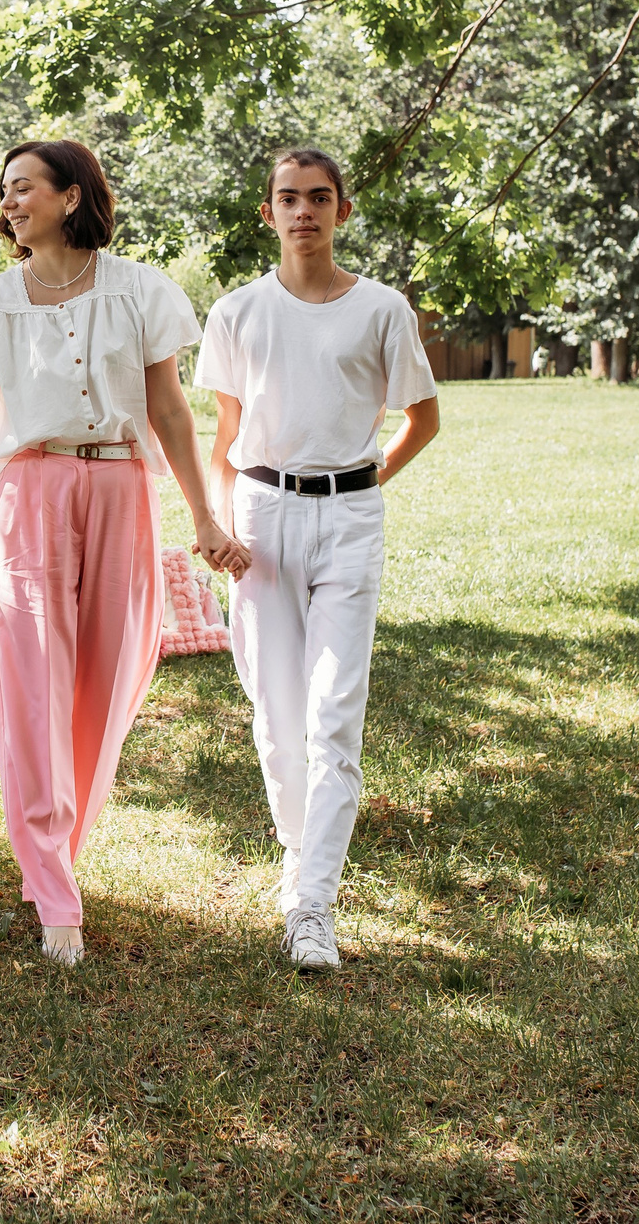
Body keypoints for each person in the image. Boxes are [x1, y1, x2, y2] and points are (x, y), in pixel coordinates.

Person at [0, 140, 249, 967]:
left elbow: (170, 410)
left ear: (72, 195)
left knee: (109, 681)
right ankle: (53, 884)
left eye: (24, 187)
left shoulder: (142, 291)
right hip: (33, 490)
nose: (10, 202)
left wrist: (203, 515)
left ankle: (57, 851)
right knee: (32, 685)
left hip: (122, 487)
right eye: (5, 190)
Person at [196, 149, 441, 970]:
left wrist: (360, 484)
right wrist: (217, 520)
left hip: (349, 518)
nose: (305, 210)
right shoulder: (237, 312)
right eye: (290, 198)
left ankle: (313, 906)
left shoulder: (382, 309)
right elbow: (225, 436)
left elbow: (423, 419)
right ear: (268, 212)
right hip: (260, 518)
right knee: (277, 718)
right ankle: (298, 857)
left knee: (334, 713)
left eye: (320, 197)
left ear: (342, 210)